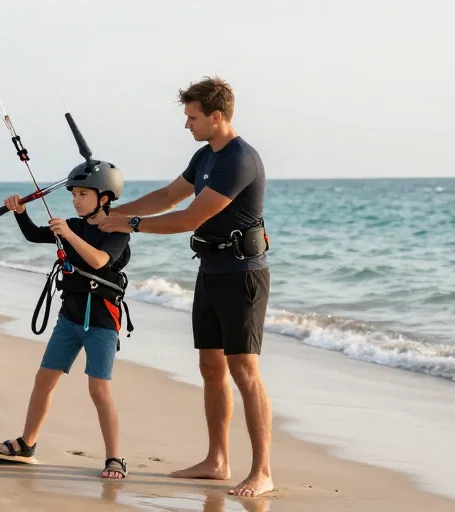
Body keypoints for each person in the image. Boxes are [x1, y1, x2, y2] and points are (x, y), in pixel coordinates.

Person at [97, 76, 273, 497]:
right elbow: (168, 197)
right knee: (211, 367)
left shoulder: (239, 160)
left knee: (244, 372)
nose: (187, 125)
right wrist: (115, 213)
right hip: (210, 271)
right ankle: (217, 460)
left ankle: (263, 471)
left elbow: (189, 218)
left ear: (217, 116)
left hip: (243, 275)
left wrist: (131, 225)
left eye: (192, 117)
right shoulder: (204, 156)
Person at [0, 160, 132, 480]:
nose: (76, 200)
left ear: (105, 198)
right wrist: (20, 212)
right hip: (69, 318)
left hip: (101, 322)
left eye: (83, 194)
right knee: (44, 380)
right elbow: (33, 236)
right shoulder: (74, 225)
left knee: (99, 389)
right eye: (74, 194)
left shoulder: (117, 228)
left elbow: (99, 261)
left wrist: (67, 233)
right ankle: (27, 443)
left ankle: (115, 459)